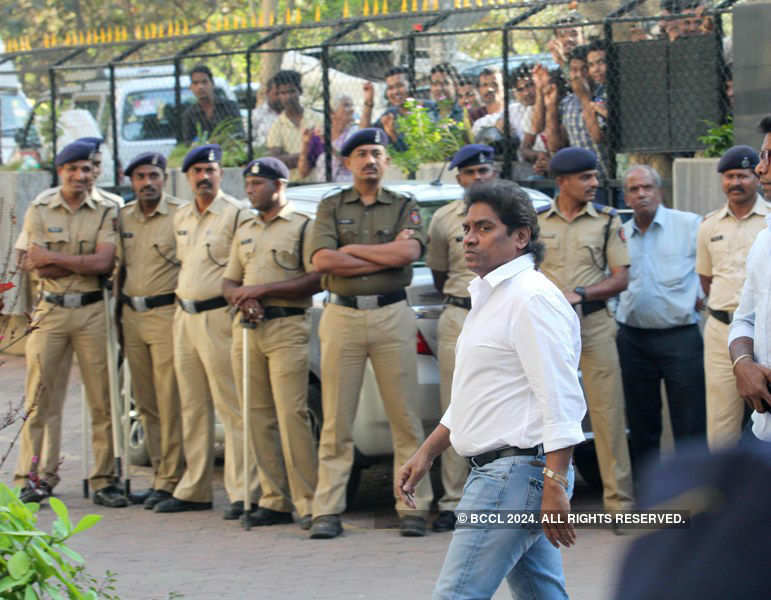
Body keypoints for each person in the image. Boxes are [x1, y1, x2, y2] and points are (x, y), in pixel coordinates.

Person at [398, 179, 586, 599]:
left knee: (456, 594)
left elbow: (561, 398)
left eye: (483, 228)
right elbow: (480, 395)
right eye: (466, 228)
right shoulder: (491, 296)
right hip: (511, 475)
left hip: (516, 478)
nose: (468, 239)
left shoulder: (530, 299)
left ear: (520, 237)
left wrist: (554, 484)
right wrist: (427, 452)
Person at [307, 128, 433, 539]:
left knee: (405, 418)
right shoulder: (329, 206)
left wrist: (351, 253)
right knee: (337, 420)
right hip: (341, 317)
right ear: (348, 162)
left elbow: (408, 255)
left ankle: (412, 507)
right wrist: (379, 257)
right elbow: (321, 260)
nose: (370, 160)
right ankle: (326, 509)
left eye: (377, 153)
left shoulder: (404, 205)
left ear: (386, 160)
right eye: (361, 154)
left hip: (391, 314)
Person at [14, 141, 127, 507]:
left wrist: (54, 257)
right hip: (51, 310)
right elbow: (34, 263)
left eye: (87, 169)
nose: (81, 176)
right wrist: (78, 260)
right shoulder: (41, 207)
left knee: (102, 398)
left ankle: (104, 479)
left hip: (94, 310)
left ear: (96, 171)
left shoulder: (110, 208)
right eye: (72, 169)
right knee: (40, 398)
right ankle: (35, 476)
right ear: (60, 171)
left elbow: (103, 264)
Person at [153, 144, 256, 517]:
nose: (203, 177)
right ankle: (194, 488)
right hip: (184, 317)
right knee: (192, 406)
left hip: (219, 317)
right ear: (187, 177)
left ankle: (244, 491)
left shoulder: (235, 214)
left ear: (221, 172)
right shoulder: (181, 216)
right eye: (196, 171)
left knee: (231, 407)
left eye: (209, 170)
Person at [223, 157, 321, 529]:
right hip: (248, 329)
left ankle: (309, 501)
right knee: (256, 415)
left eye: (258, 184)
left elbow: (315, 279)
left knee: (291, 416)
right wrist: (242, 297)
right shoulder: (245, 226)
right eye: (247, 183)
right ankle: (273, 498)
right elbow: (229, 280)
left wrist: (262, 290)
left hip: (287, 328)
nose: (250, 189)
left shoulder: (301, 225)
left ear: (279, 185)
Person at [537, 147, 635, 513]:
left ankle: (619, 504)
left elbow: (621, 277)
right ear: (562, 182)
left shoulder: (608, 220)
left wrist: (580, 294)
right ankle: (546, 499)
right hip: (548, 331)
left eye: (595, 176)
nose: (595, 183)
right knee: (544, 416)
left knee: (608, 415)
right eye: (586, 177)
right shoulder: (536, 221)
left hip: (593, 325)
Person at [424, 144, 497, 533]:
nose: (480, 178)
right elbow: (438, 274)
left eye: (485, 170)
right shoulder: (442, 220)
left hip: (504, 314)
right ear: (459, 179)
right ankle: (455, 501)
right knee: (456, 405)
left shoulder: (515, 213)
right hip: (459, 313)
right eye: (471, 173)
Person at [616, 165, 706, 465]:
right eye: (634, 189)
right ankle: (650, 497)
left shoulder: (689, 225)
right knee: (642, 423)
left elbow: (713, 265)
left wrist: (702, 296)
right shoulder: (620, 234)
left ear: (659, 191)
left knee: (690, 421)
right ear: (626, 197)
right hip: (633, 339)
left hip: (680, 337)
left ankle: (694, 496)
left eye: (647, 188)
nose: (641, 194)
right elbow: (611, 277)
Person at [118, 152, 186, 509]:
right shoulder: (122, 217)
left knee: (169, 398)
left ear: (164, 178)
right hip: (131, 315)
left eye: (154, 176)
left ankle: (173, 479)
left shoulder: (180, 215)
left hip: (166, 313)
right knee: (145, 402)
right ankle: (161, 475)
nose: (148, 183)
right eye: (141, 176)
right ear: (131, 181)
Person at [696, 145, 771, 449]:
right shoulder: (709, 224)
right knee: (722, 429)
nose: (737, 182)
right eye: (729, 176)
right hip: (725, 331)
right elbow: (706, 280)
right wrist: (742, 360)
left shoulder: (766, 221)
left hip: (759, 335)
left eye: (743, 175)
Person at [545, 46, 612, 203]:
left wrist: (585, 97)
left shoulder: (603, 97)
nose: (579, 75)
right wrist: (551, 107)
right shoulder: (567, 103)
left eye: (584, 69)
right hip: (578, 179)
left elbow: (598, 137)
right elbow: (555, 145)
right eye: (574, 70)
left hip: (605, 178)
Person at [266, 70, 322, 182]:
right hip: (292, 184)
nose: (288, 97)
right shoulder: (277, 126)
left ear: (299, 91)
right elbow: (276, 161)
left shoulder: (317, 118)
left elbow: (325, 152)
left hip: (320, 181)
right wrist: (309, 155)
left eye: (292, 91)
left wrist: (290, 157)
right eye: (283, 93)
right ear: (278, 95)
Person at [298, 94, 358, 182]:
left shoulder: (355, 133)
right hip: (324, 190)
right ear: (332, 113)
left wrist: (329, 146)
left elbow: (352, 164)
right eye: (346, 105)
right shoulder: (319, 136)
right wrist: (305, 145)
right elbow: (303, 173)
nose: (352, 110)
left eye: (352, 105)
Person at [181, 64, 244, 144]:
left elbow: (238, 134)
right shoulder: (189, 114)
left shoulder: (230, 106)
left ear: (212, 84)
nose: (200, 87)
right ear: (191, 87)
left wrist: (215, 141)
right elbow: (188, 142)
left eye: (204, 82)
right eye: (195, 83)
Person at [470, 68, 504, 137]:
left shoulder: (513, 112)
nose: (489, 89)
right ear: (479, 90)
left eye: (494, 84)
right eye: (485, 85)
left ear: (503, 87)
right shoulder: (475, 117)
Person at [251, 76, 282, 150]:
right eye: (277, 93)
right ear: (267, 93)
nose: (281, 97)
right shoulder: (257, 114)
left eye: (283, 93)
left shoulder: (293, 114)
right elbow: (246, 140)